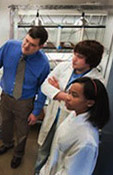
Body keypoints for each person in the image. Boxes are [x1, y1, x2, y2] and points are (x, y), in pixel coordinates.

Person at [0, 26, 50, 168]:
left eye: (32, 45)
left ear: (41, 46)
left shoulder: (43, 63)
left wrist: (36, 111)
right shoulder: (10, 46)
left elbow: (43, 89)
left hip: (25, 102)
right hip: (6, 97)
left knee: (22, 130)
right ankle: (7, 144)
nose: (26, 46)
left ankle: (18, 154)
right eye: (26, 40)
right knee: (5, 124)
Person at [35, 40, 104, 174]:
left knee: (60, 157)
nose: (74, 59)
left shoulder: (96, 81)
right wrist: (67, 96)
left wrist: (58, 93)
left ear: (91, 61)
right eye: (74, 54)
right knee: (43, 151)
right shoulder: (63, 67)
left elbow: (80, 107)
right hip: (53, 117)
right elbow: (45, 86)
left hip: (69, 121)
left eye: (80, 57)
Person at [39, 77, 110, 175]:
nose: (67, 97)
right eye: (69, 92)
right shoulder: (75, 113)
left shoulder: (87, 142)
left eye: (74, 95)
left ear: (90, 103)